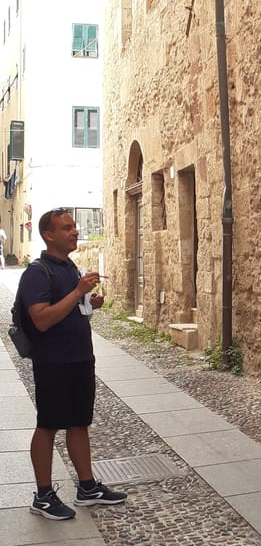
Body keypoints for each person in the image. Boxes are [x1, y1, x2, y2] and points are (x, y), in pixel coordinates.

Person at [20, 208, 127, 520]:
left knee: (80, 423)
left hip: (79, 357)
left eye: (74, 227)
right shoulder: (38, 272)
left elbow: (68, 310)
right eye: (67, 228)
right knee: (48, 425)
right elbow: (41, 319)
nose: (75, 231)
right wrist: (78, 291)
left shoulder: (67, 267)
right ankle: (42, 495)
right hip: (53, 362)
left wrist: (87, 303)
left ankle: (87, 487)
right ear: (48, 235)